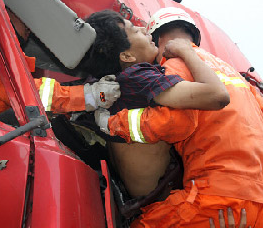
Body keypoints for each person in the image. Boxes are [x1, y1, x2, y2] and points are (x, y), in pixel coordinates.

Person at [85, 7, 263, 228]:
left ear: (161, 41)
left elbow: (173, 123)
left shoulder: (173, 67)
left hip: (216, 203)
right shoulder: (231, 73)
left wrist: (112, 123)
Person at [79, 10, 229, 202]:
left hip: (141, 200)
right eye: (136, 30)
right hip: (159, 204)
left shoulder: (116, 83)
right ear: (126, 56)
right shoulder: (138, 77)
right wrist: (187, 51)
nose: (144, 29)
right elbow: (217, 95)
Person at [0, 8, 120, 115]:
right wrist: (90, 96)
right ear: (7, 11)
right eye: (26, 19)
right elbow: (21, 92)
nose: (31, 28)